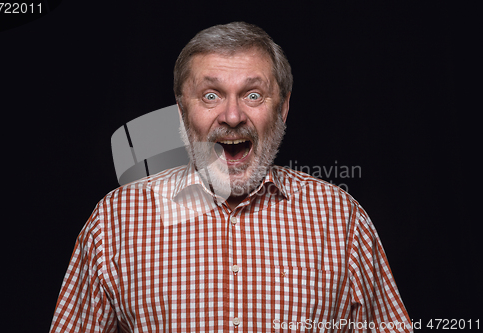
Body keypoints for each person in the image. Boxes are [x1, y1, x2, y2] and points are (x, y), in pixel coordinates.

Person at [50, 22, 412, 332]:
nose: (233, 115)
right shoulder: (115, 222)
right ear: (181, 112)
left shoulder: (340, 217)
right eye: (211, 95)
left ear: (282, 109)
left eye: (253, 95)